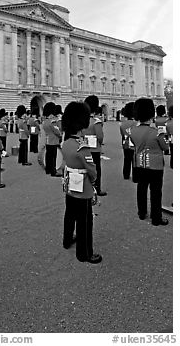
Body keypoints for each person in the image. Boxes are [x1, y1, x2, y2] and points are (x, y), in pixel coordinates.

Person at [61, 101, 102, 264]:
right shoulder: (81, 147)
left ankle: (67, 240)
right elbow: (92, 172)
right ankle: (84, 253)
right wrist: (93, 182)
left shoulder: (66, 143)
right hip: (83, 187)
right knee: (85, 221)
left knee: (70, 214)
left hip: (70, 184)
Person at [130, 98, 169, 226]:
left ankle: (142, 213)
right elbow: (165, 148)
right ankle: (156, 218)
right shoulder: (157, 132)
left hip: (140, 163)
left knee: (141, 188)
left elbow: (133, 146)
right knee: (156, 191)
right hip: (156, 165)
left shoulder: (132, 131)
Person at [84, 95, 107, 196]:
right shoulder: (96, 121)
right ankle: (97, 188)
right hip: (94, 149)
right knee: (97, 170)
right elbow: (100, 137)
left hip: (84, 148)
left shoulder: (83, 120)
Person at [42, 102, 62, 177]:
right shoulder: (52, 121)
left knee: (48, 156)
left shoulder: (45, 121)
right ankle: (53, 171)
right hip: (53, 140)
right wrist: (60, 135)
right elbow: (56, 131)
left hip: (48, 140)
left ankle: (48, 169)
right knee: (53, 157)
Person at [119, 102, 137, 180]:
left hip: (126, 143)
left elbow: (122, 134)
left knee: (126, 159)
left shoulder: (123, 124)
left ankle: (126, 175)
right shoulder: (136, 123)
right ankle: (135, 176)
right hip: (134, 143)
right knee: (135, 160)